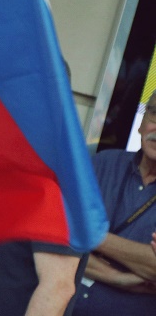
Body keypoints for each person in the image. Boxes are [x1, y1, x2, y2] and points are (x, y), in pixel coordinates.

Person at [74, 93, 156, 315]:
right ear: (141, 122)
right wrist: (118, 278)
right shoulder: (102, 163)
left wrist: (87, 233)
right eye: (155, 114)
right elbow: (56, 235)